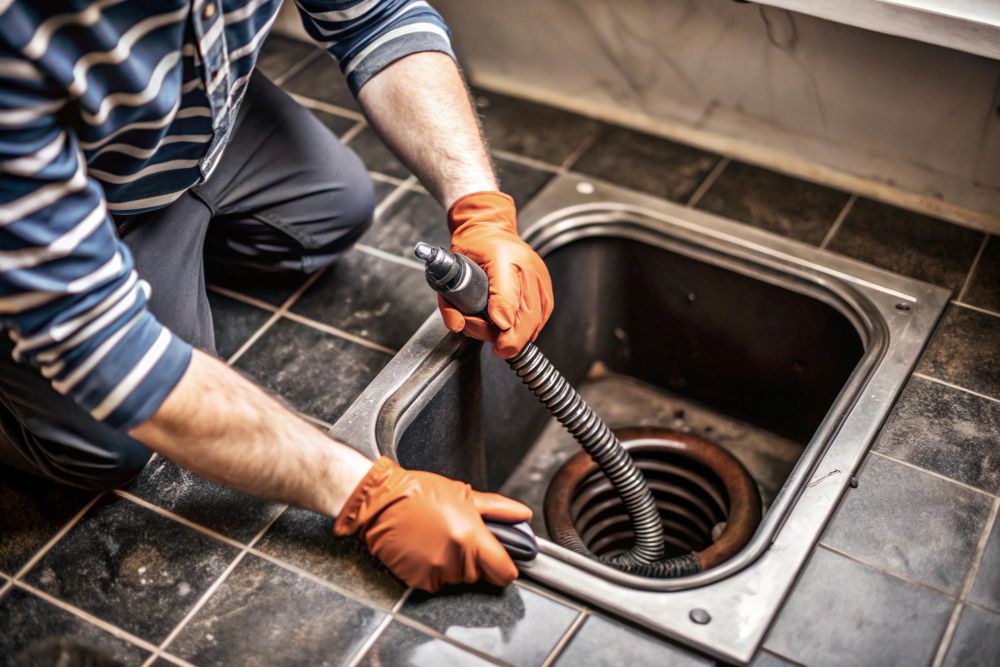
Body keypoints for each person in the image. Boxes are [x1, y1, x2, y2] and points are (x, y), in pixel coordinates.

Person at [0, 0, 554, 593]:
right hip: (45, 182)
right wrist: (368, 493)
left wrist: (480, 208)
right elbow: (105, 351)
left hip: (153, 136)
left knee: (335, 208)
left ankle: (154, 234)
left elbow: (379, 18)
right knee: (109, 441)